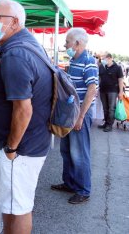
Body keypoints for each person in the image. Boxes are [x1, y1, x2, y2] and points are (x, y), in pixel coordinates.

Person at [0, 0, 52, 234]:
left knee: (19, 209)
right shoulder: (24, 44)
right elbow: (17, 76)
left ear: (14, 22)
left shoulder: (15, 54)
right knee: (13, 204)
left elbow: (24, 110)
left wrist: (11, 148)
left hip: (21, 148)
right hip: (29, 143)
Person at [51, 28, 98, 204]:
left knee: (79, 153)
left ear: (77, 43)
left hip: (80, 115)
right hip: (71, 113)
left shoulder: (89, 61)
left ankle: (83, 190)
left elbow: (92, 90)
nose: (65, 45)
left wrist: (80, 117)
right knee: (67, 150)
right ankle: (69, 183)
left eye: (67, 42)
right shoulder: (74, 59)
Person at [98, 52, 124, 132]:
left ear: (109, 58)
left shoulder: (117, 67)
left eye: (103, 58)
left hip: (113, 91)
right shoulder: (102, 67)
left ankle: (109, 125)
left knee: (111, 108)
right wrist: (97, 88)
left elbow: (120, 80)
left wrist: (121, 92)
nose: (102, 60)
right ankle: (106, 123)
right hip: (103, 90)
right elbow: (99, 78)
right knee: (105, 108)